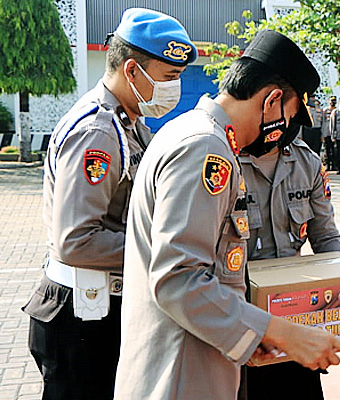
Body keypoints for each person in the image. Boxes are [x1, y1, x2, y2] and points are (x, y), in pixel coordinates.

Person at [113, 30, 340, 400]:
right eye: (291, 115)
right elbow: (179, 279)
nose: (288, 130)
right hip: (183, 375)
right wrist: (282, 332)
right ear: (273, 100)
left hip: (199, 360)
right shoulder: (204, 149)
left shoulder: (191, 133)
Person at [20, 9, 195, 400]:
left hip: (99, 310)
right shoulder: (97, 132)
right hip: (82, 319)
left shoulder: (127, 123)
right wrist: (162, 252)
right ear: (132, 71)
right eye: (169, 77)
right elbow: (76, 240)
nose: (176, 88)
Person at [237, 132, 340, 400]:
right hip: (240, 317)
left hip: (296, 317)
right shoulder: (226, 160)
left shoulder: (306, 161)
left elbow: (326, 237)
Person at [321, 95, 337, 171]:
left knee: (334, 150)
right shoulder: (325, 110)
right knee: (327, 150)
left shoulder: (337, 111)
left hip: (334, 134)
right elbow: (323, 122)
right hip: (327, 133)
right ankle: (327, 165)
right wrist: (323, 134)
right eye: (331, 101)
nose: (332, 102)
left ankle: (334, 165)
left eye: (334, 101)